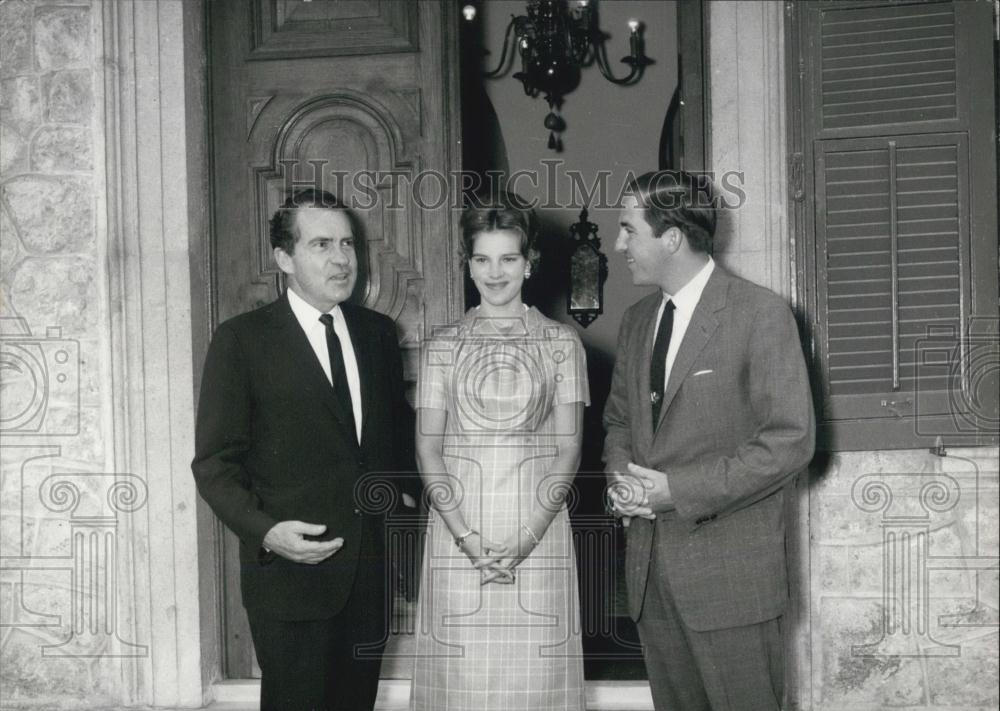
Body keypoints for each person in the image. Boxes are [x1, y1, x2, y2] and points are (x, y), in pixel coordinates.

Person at [192, 188, 415, 711]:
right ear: (284, 259)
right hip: (291, 578)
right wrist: (267, 532)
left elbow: (396, 442)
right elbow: (214, 464)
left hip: (369, 576)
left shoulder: (378, 334)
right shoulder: (242, 340)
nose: (341, 259)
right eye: (321, 244)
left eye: (348, 244)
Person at [603, 171, 815, 711]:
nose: (618, 244)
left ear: (671, 237)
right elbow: (620, 422)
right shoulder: (635, 322)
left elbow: (790, 441)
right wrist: (621, 480)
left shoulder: (760, 314)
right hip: (651, 582)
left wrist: (677, 491)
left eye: (629, 229)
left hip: (732, 586)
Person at [411, 194, 588, 711]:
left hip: (538, 525)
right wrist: (464, 535)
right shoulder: (442, 346)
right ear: (468, 265)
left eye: (508, 258)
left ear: (529, 263)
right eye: (482, 259)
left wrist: (530, 533)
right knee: (462, 679)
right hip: (458, 528)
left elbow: (569, 447)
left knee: (534, 679)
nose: (495, 272)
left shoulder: (561, 343)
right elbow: (428, 448)